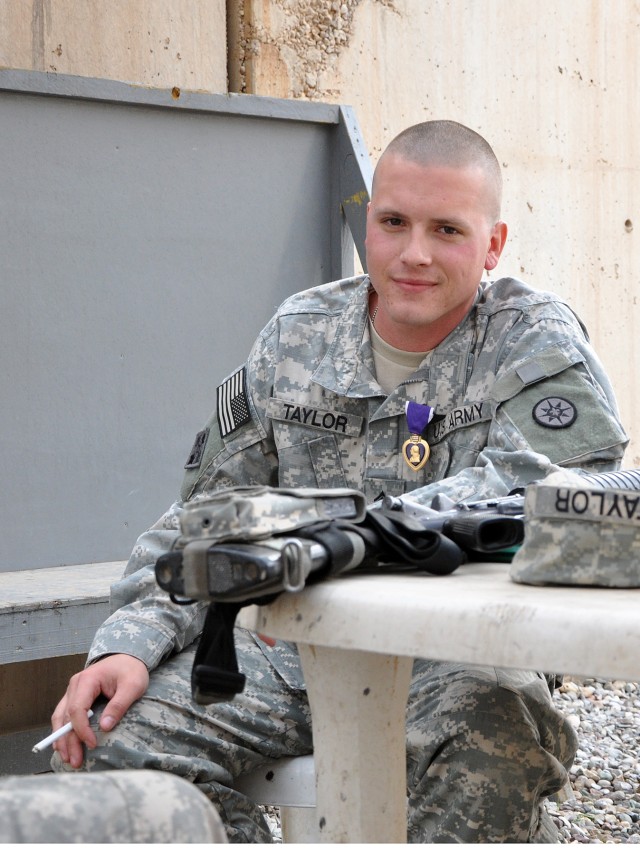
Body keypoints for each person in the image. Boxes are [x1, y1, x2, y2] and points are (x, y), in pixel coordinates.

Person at [51, 120, 628, 843]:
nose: (414, 253)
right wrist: (128, 642)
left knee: (495, 741)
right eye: (393, 222)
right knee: (113, 741)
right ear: (368, 224)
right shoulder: (298, 335)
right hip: (292, 651)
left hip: (457, 660)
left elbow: (568, 490)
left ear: (493, 245)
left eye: (447, 229)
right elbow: (207, 513)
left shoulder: (533, 339)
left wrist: (352, 536)